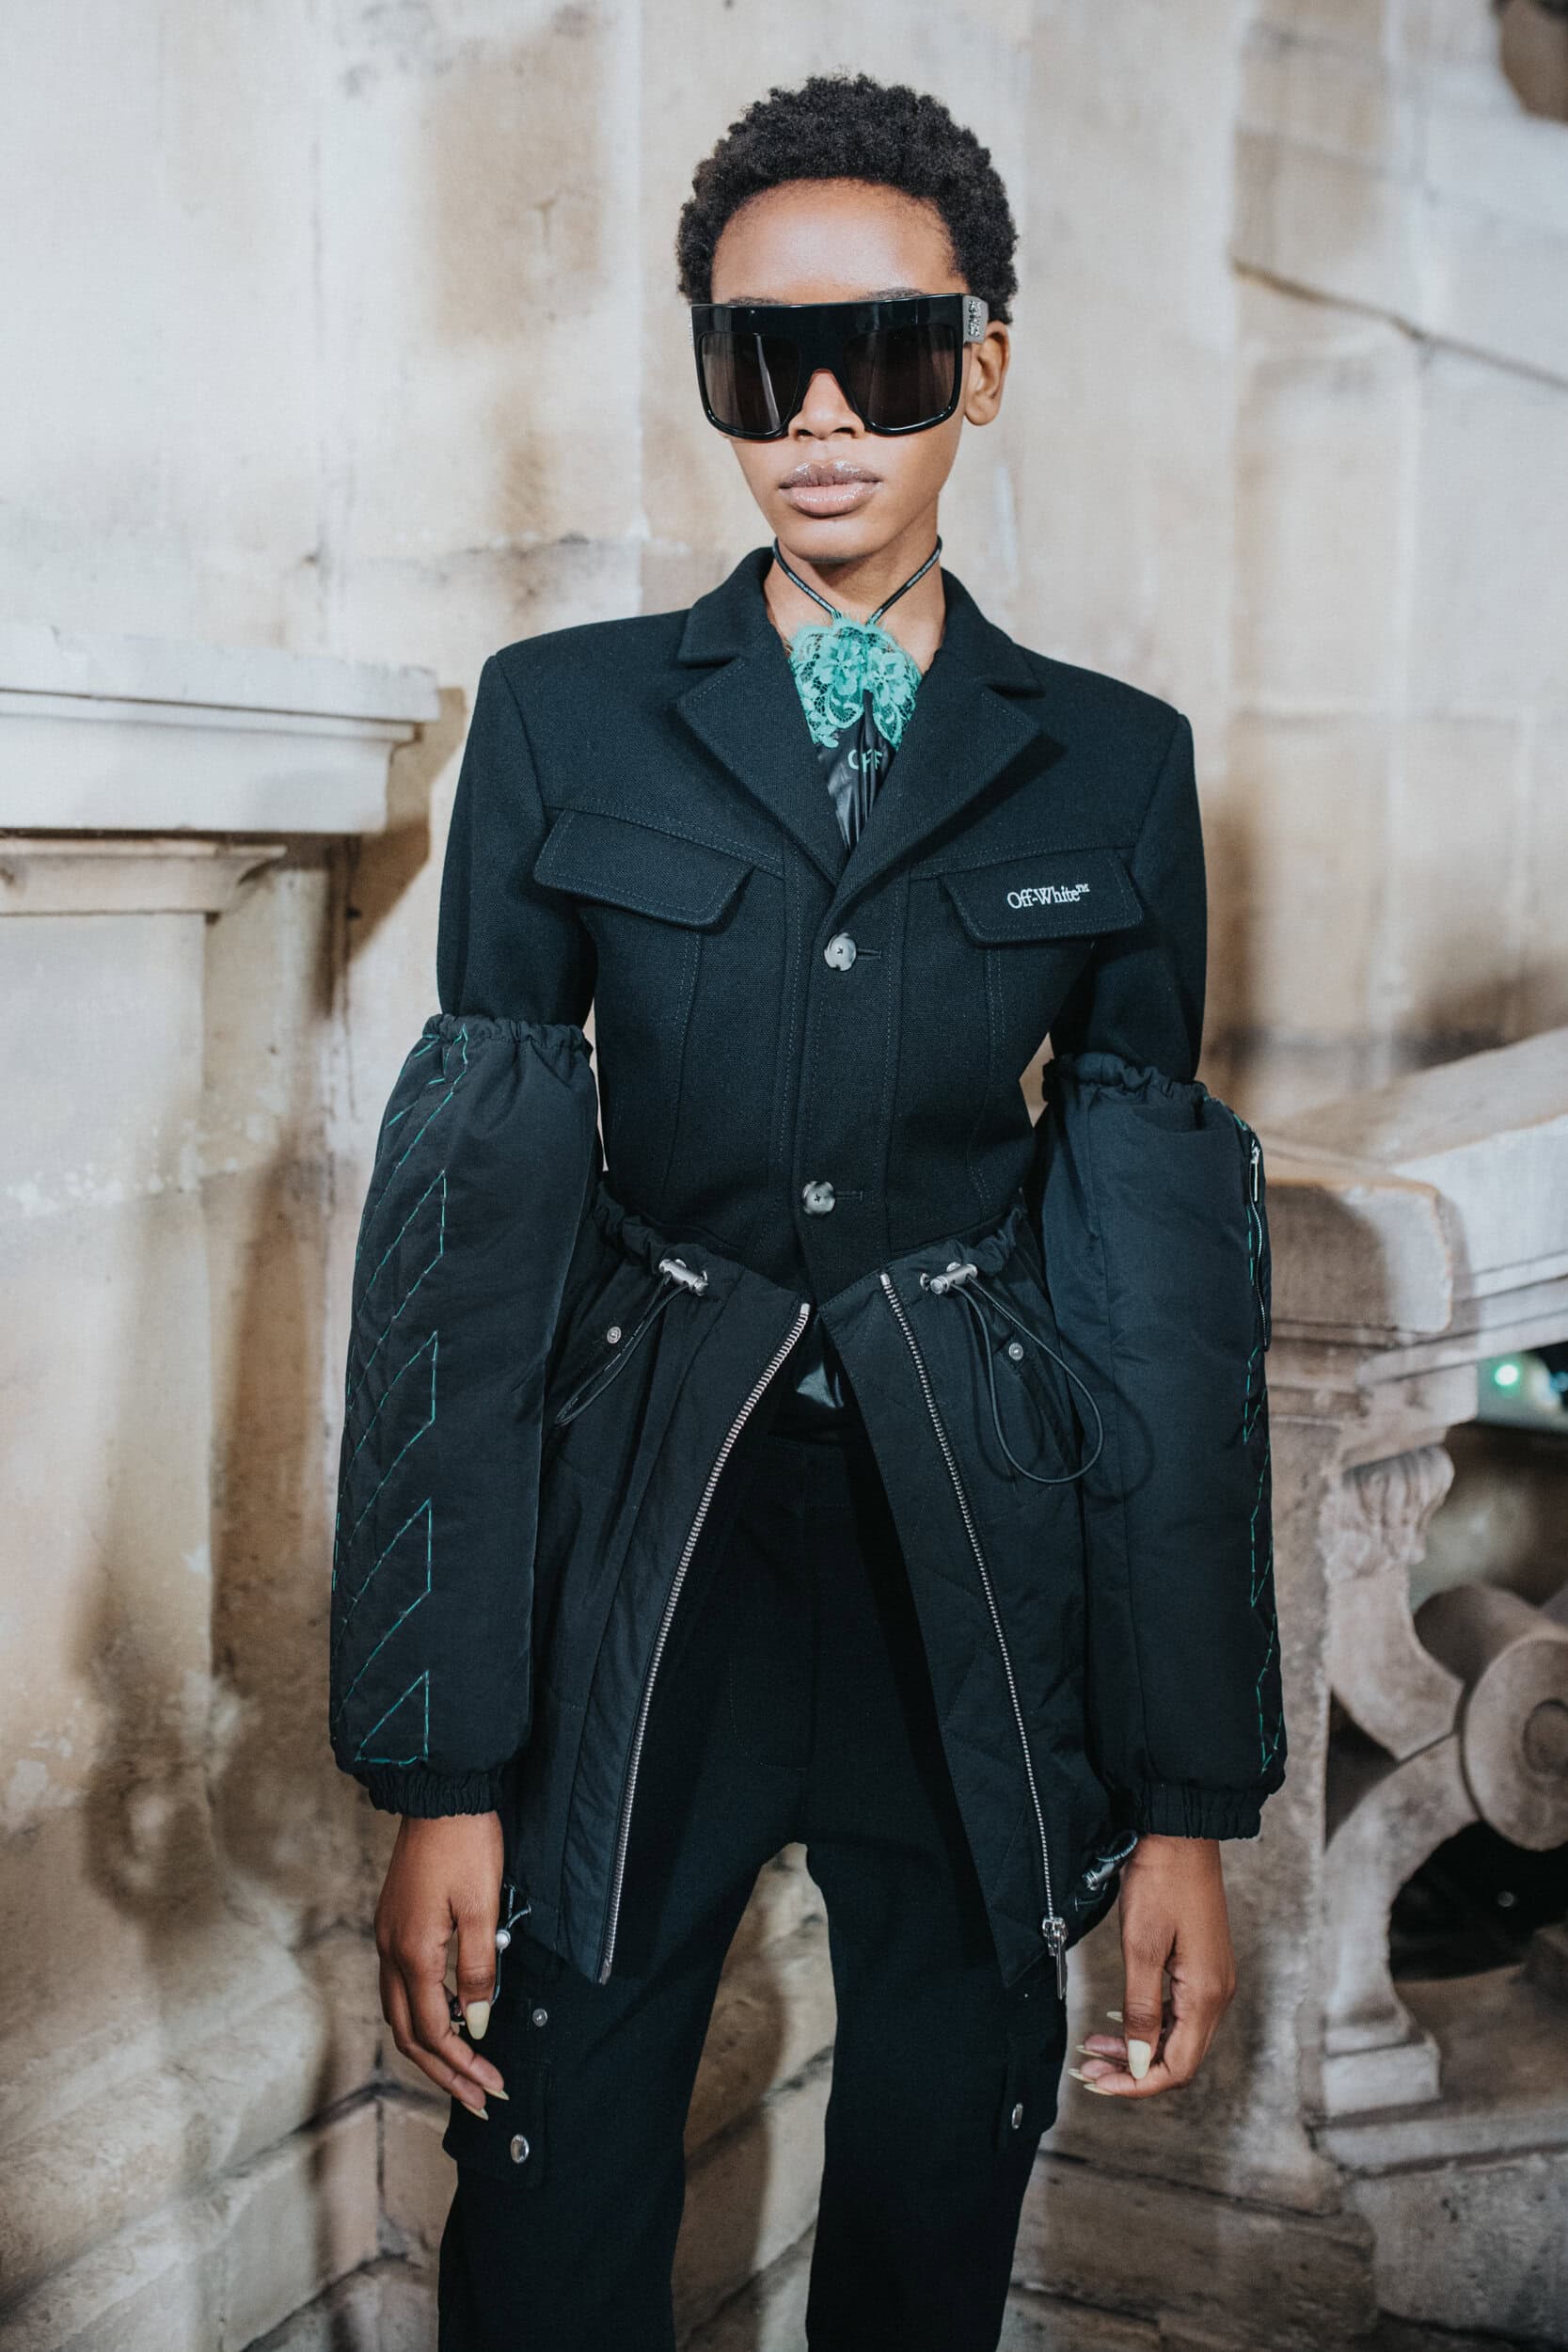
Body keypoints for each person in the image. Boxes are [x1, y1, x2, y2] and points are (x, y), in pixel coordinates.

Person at [329, 72, 1286, 2352]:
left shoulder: (1114, 761)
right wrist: (442, 1768)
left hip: (977, 1559)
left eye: (888, 350)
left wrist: (1185, 1804)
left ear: (987, 363)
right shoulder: (561, 721)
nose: (826, 417)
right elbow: (466, 1253)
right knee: (549, 2172)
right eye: (764, 362)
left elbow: (1160, 1292)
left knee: (942, 2172)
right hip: (646, 1555)